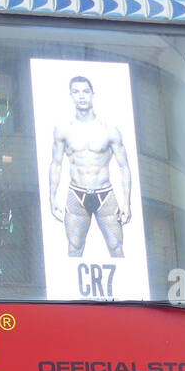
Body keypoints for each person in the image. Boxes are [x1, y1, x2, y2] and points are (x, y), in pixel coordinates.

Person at [48, 75, 132, 258]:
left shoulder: (109, 129)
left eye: (85, 91)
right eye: (76, 92)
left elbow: (124, 167)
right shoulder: (64, 129)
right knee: (74, 249)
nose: (81, 96)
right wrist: (52, 198)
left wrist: (127, 201)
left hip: (105, 193)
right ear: (71, 95)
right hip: (76, 194)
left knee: (116, 247)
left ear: (93, 94)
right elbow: (56, 164)